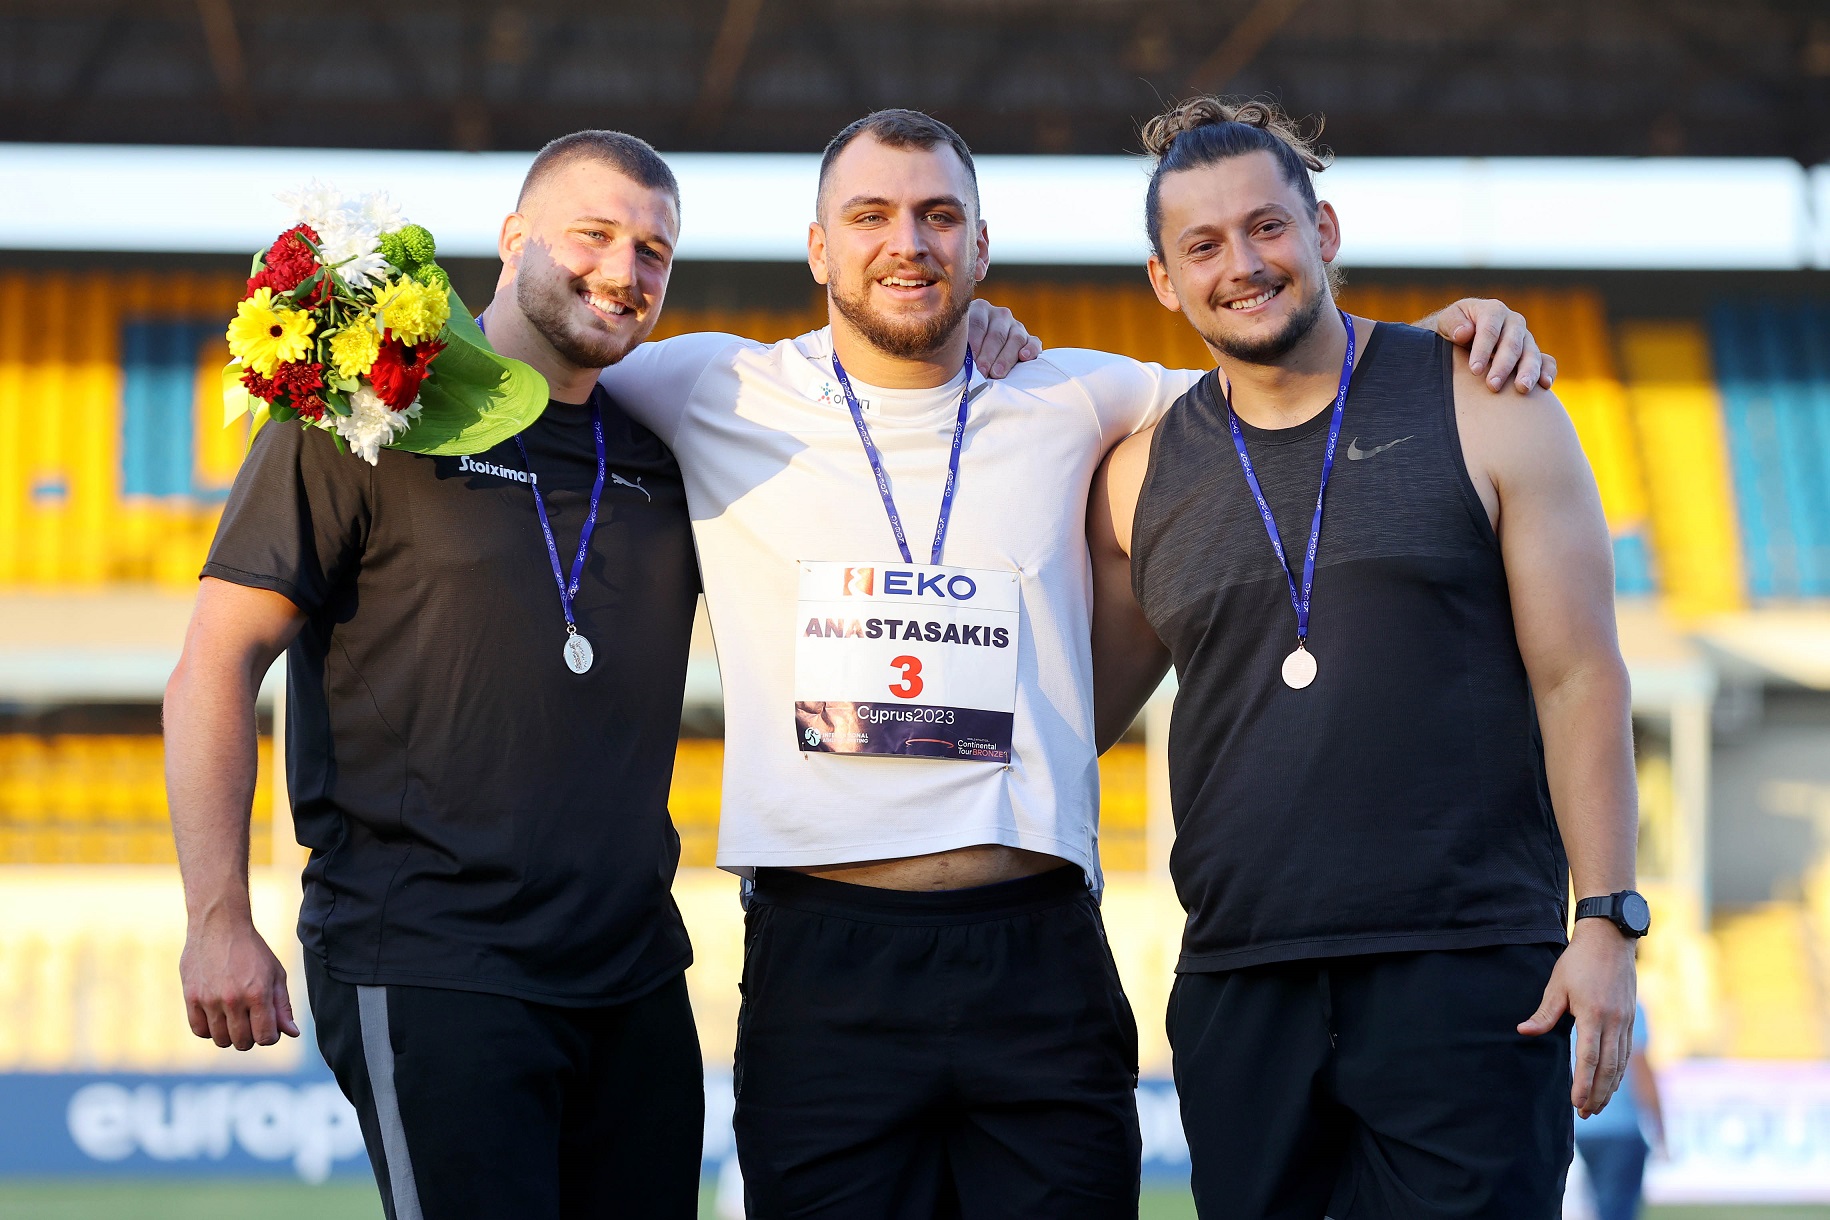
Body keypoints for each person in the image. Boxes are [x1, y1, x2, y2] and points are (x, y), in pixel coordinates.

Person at [596, 107, 1555, 1219]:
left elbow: (1281, 372)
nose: (908, 241)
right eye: (871, 216)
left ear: (981, 247)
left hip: (1039, 951)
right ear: (819, 248)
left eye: (939, 216)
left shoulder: (1079, 395)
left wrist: (1435, 341)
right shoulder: (708, 386)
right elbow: (536, 352)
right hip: (824, 963)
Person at [166, 127, 1041, 1220]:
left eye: (655, 251)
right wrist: (215, 914)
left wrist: (975, 332)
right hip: (432, 955)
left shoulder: (668, 441)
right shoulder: (366, 410)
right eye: (594, 235)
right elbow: (213, 662)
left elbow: (874, 431)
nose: (624, 272)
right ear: (513, 237)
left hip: (632, 977)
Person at [1085, 97, 1645, 1219]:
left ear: (1324, 231)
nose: (1241, 264)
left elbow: (1581, 674)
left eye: (1267, 227)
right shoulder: (1137, 474)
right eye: (1202, 245)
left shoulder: (1488, 398)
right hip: (1241, 982)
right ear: (1164, 279)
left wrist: (1608, 920)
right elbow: (1072, 714)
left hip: (1470, 969)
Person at [1575, 1003, 1664, 1220]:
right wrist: (1661, 1128)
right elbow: (1640, 1069)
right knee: (1617, 1211)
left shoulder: (1575, 997)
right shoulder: (1626, 1000)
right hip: (1620, 1130)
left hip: (1582, 1126)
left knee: (1604, 1207)